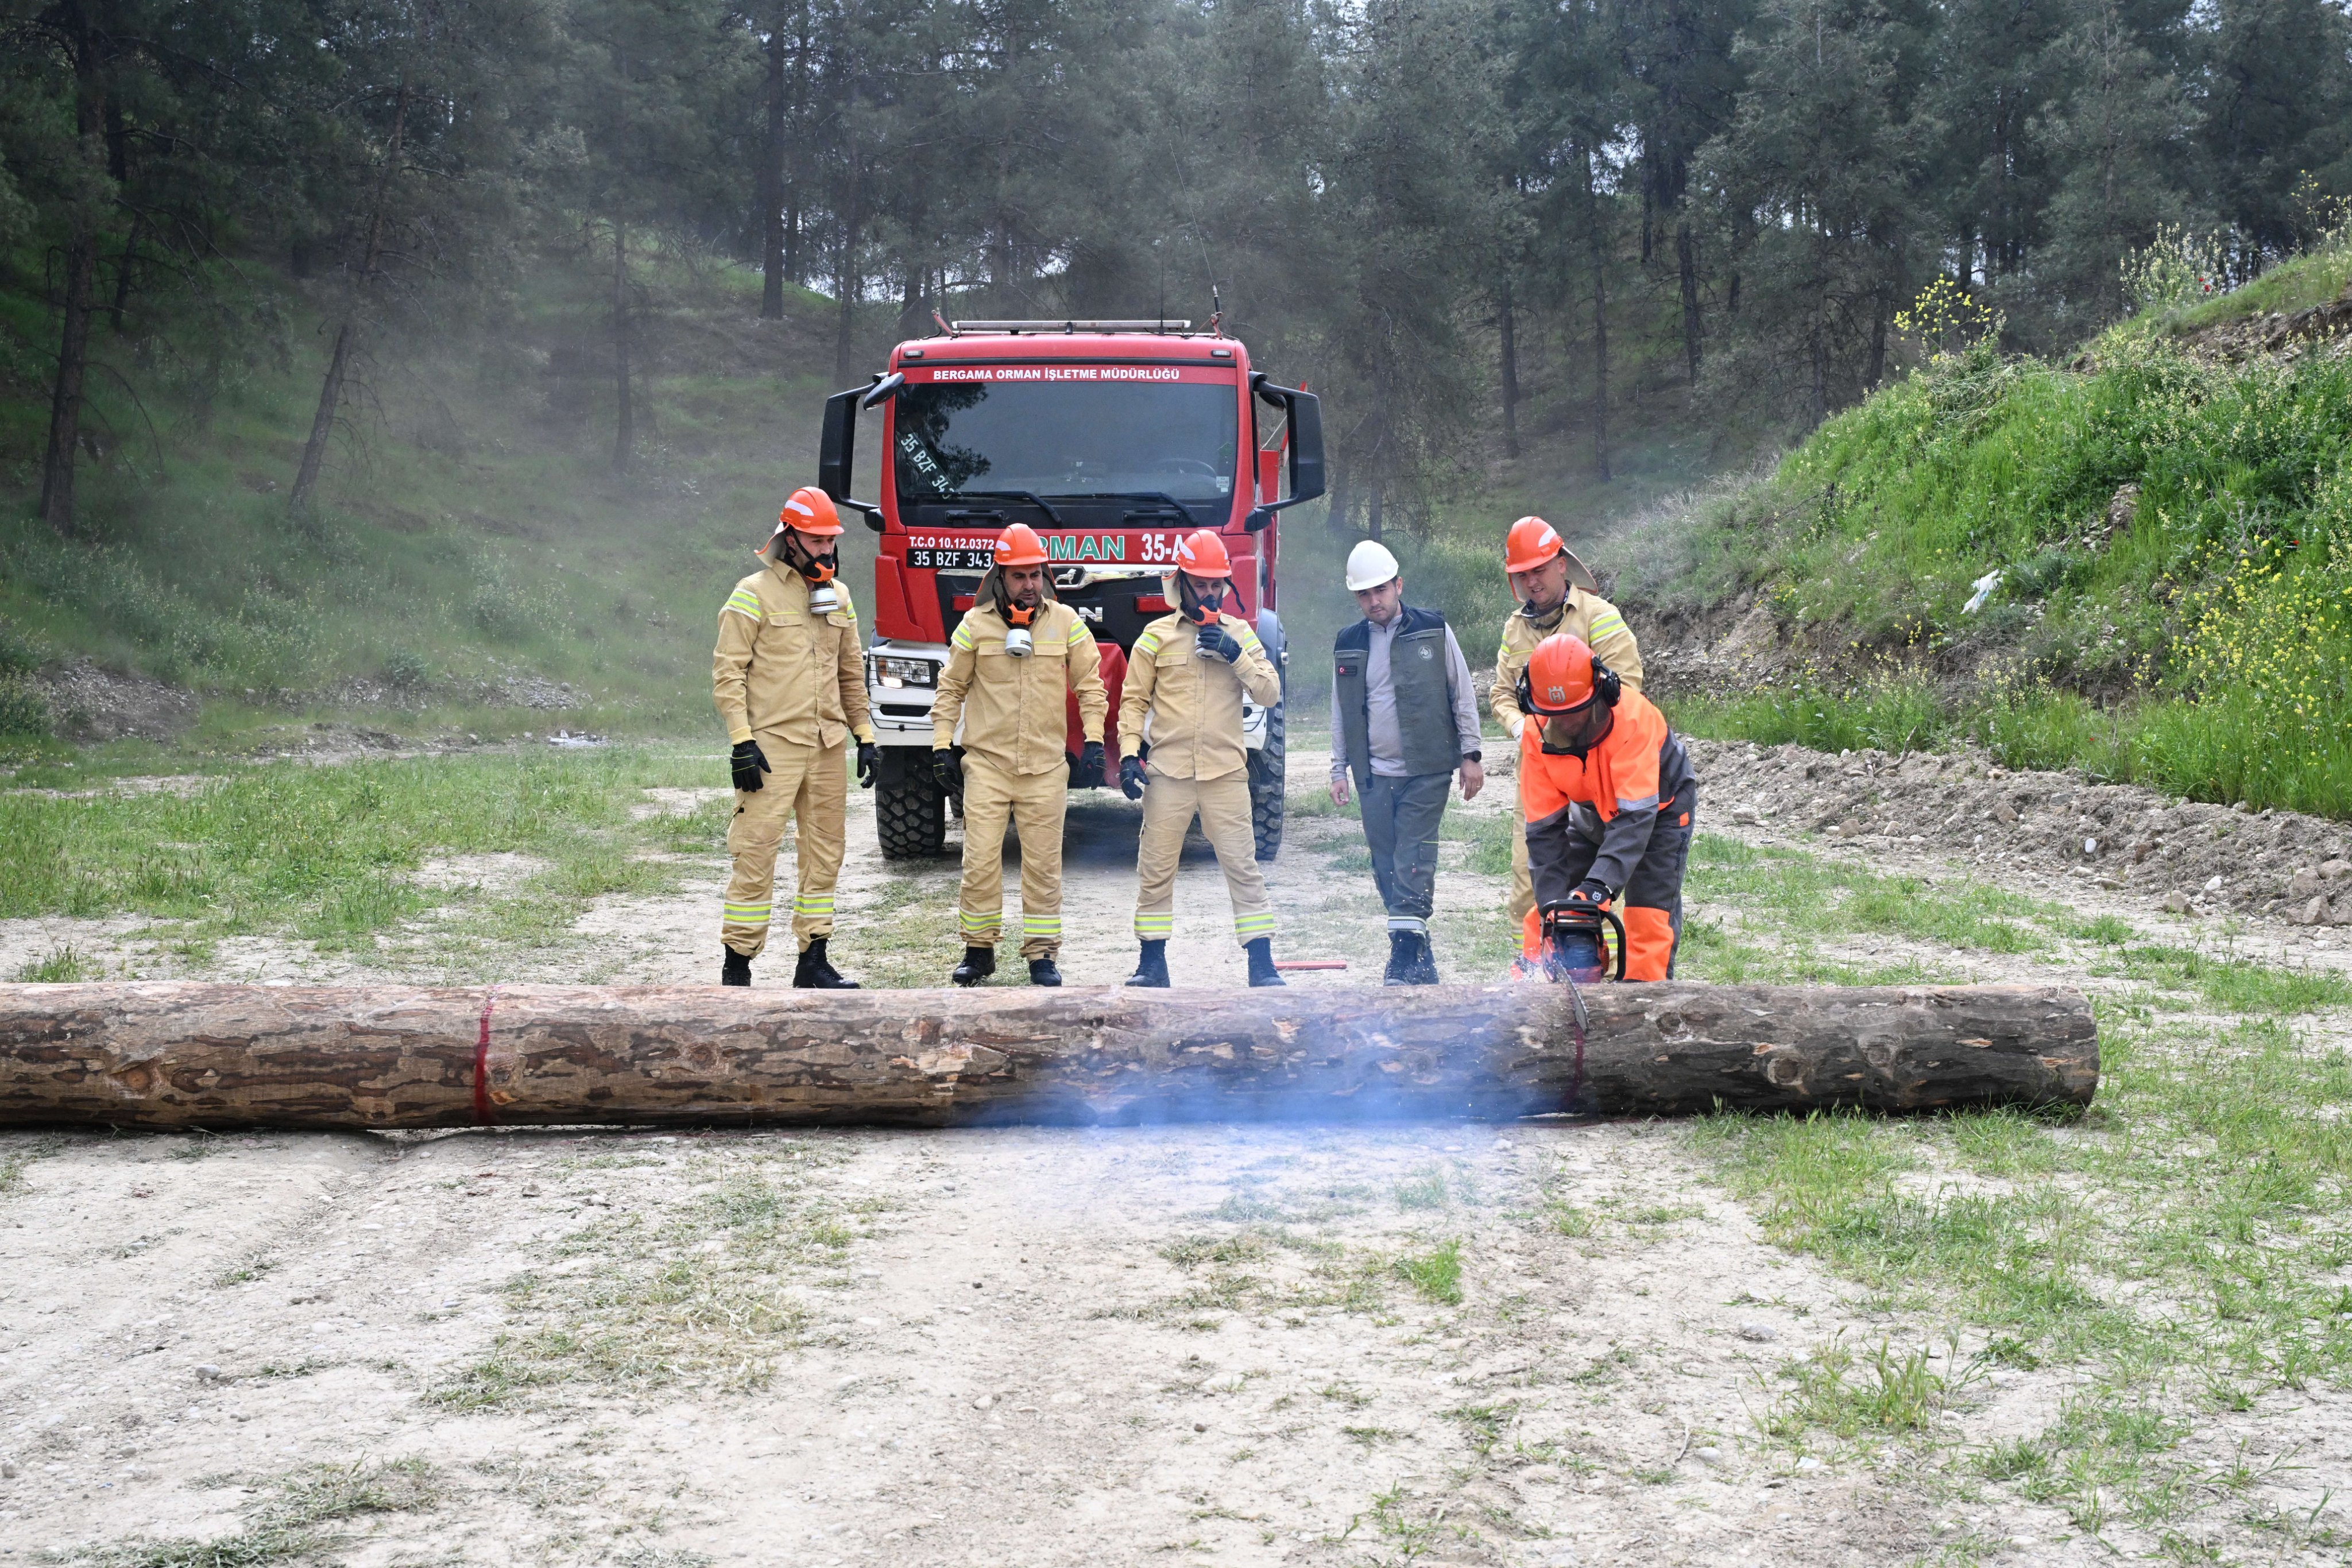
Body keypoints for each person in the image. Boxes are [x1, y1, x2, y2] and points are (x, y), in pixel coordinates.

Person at [711, 487, 879, 988]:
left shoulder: (841, 598)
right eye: (817, 538)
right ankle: (737, 966)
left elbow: (852, 674)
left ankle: (814, 959)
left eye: (832, 539)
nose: (827, 548)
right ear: (790, 538)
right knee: (756, 849)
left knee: (826, 852)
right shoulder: (753, 592)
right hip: (770, 750)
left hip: (826, 746)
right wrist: (742, 740)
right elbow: (728, 674)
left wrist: (865, 735)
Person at [930, 524, 1108, 987]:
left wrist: (1092, 741)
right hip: (987, 765)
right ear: (999, 578)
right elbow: (951, 689)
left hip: (1046, 767)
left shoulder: (1066, 622)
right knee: (981, 860)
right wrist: (941, 745)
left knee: (1044, 866)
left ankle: (1042, 955)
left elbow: (1091, 686)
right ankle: (979, 950)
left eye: (1035, 574)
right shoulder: (975, 626)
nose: (1029, 584)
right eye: (1018, 576)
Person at [1118, 529, 1287, 988]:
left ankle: (1261, 963)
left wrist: (1235, 656)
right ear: (1181, 582)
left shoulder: (1241, 634)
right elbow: (1133, 702)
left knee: (1243, 866)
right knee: (1155, 867)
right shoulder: (1155, 637)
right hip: (1168, 775)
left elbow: (1269, 692)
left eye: (1217, 584)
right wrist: (1130, 755)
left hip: (1225, 774)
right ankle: (1152, 963)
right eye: (1201, 583)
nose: (1210, 592)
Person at [1328, 539, 1486, 986]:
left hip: (1427, 769)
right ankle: (1421, 954)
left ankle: (1400, 960)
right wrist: (1339, 768)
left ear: (1399, 584)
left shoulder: (1434, 629)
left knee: (1412, 858)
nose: (1373, 601)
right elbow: (1340, 711)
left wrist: (1470, 754)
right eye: (1364, 594)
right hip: (1373, 776)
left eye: (1380, 590)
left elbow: (1462, 691)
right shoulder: (1348, 642)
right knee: (1386, 867)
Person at [1487, 516, 1645, 931]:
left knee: (1610, 877)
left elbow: (1627, 693)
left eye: (1538, 570)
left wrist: (1581, 734)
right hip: (1541, 774)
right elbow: (1502, 695)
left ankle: (1612, 977)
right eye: (1522, 574)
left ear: (1561, 563)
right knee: (1531, 878)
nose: (1531, 582)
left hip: (1602, 773)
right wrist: (1522, 728)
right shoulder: (1515, 628)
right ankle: (1538, 968)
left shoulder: (1600, 617)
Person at [1514, 632, 1695, 982]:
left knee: (1648, 916)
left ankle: (1645, 1003)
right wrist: (1558, 910)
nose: (1565, 723)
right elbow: (1543, 830)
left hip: (1658, 812)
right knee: (1553, 907)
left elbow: (1635, 819)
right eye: (1554, 715)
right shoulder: (1536, 733)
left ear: (1601, 690)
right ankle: (1532, 984)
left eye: (1575, 712)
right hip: (1592, 810)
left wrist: (1599, 888)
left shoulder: (1632, 720)